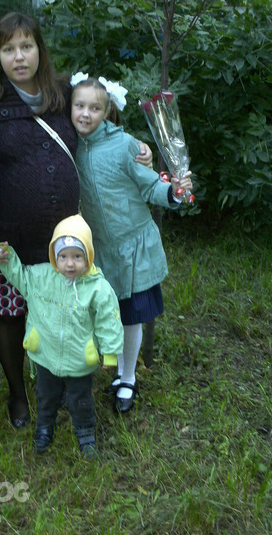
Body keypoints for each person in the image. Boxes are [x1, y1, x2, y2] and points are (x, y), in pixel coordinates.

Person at [0, 12, 152, 428]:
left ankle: (63, 380)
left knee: (66, 312)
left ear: (40, 50)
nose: (19, 56)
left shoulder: (62, 94)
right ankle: (17, 394)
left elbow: (98, 125)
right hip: (6, 240)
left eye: (26, 46)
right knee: (9, 314)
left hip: (64, 241)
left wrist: (138, 147)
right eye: (8, 49)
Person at [70, 75, 194, 413]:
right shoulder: (70, 146)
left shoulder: (125, 145)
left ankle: (128, 378)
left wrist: (173, 192)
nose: (86, 114)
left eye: (95, 108)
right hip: (99, 250)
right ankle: (111, 370)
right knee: (108, 313)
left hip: (133, 246)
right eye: (79, 106)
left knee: (131, 316)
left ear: (107, 111)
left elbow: (150, 186)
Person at [0, 214, 123, 457]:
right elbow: (20, 276)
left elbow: (109, 322)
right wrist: (5, 257)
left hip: (79, 360)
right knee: (46, 396)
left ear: (88, 256)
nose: (70, 264)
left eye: (77, 257)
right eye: (63, 257)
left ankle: (85, 432)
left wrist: (110, 353)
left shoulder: (97, 289)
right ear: (54, 257)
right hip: (46, 356)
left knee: (81, 400)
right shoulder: (40, 278)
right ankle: (44, 427)